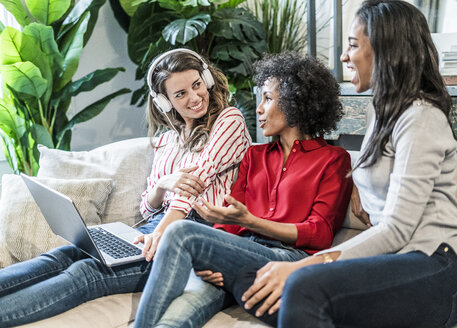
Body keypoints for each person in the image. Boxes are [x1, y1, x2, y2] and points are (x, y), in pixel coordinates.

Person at [233, 1, 457, 327]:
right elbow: (382, 172)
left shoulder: (420, 117)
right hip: (394, 262)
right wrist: (357, 186)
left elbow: (397, 228)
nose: (343, 57)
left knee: (301, 285)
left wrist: (305, 266)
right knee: (249, 279)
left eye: (352, 45)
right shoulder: (379, 112)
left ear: (385, 50)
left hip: (440, 265)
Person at [0, 48, 252, 327]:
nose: (194, 97)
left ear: (206, 79)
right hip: (156, 226)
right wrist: (162, 185)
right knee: (64, 254)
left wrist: (160, 234)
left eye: (196, 85)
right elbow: (148, 206)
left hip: (195, 232)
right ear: (165, 102)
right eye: (180, 94)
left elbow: (194, 185)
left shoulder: (229, 120)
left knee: (86, 273)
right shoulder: (167, 140)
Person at [132, 52, 353, 328]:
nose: (258, 109)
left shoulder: (333, 159)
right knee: (176, 318)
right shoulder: (254, 156)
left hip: (286, 257)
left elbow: (319, 234)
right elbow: (230, 221)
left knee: (180, 231)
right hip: (242, 253)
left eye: (268, 99)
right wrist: (217, 254)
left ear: (297, 101)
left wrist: (250, 222)